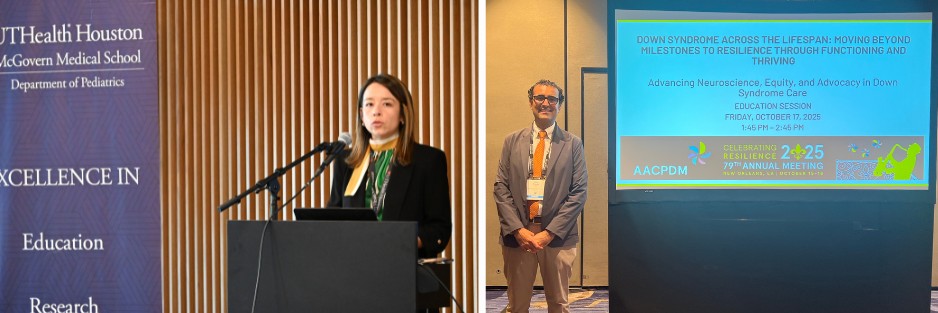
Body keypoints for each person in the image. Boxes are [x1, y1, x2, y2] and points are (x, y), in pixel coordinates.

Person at [327, 73, 452, 259]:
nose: (376, 111)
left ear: (403, 114)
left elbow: (438, 229)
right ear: (361, 115)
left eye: (387, 104)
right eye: (369, 104)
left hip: (402, 264)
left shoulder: (428, 160)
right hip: (351, 265)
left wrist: (401, 240)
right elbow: (332, 218)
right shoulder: (345, 161)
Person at [494, 79, 588, 313]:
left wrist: (549, 233)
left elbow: (579, 191)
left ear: (559, 105)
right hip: (518, 237)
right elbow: (500, 187)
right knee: (517, 305)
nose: (546, 103)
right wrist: (518, 230)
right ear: (531, 102)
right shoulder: (511, 141)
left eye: (552, 99)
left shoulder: (573, 143)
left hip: (558, 237)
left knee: (558, 304)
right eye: (540, 98)